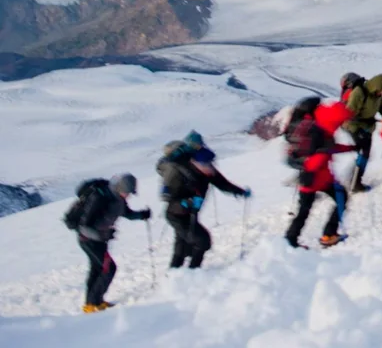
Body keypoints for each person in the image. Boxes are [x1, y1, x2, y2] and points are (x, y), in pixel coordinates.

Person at [157, 132, 249, 269]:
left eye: (211, 164)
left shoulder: (207, 172)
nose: (210, 168)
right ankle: (192, 272)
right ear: (196, 163)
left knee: (182, 245)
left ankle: (176, 275)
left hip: (190, 214)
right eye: (207, 165)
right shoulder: (180, 174)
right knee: (203, 241)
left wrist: (239, 192)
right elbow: (169, 199)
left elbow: (223, 183)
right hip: (177, 215)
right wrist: (187, 202)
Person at [71, 173, 151, 313]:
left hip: (100, 240)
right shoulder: (100, 198)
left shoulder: (118, 198)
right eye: (127, 192)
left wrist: (141, 215)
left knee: (98, 269)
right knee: (109, 268)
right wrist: (104, 234)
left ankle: (92, 303)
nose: (128, 196)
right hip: (88, 240)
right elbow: (84, 226)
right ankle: (93, 303)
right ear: (119, 187)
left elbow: (125, 213)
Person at [285, 101, 356, 248]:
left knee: (304, 210)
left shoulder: (319, 125)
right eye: (341, 121)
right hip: (317, 178)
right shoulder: (324, 131)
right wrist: (310, 171)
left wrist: (350, 148)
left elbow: (329, 149)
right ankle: (328, 235)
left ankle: (290, 240)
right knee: (340, 198)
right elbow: (322, 154)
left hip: (312, 178)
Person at [343, 72, 382, 193]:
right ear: (376, 86)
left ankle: (354, 177)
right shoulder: (359, 92)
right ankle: (355, 182)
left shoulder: (380, 95)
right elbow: (348, 113)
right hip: (354, 125)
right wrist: (356, 127)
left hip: (368, 127)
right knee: (364, 151)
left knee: (365, 153)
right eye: (381, 91)